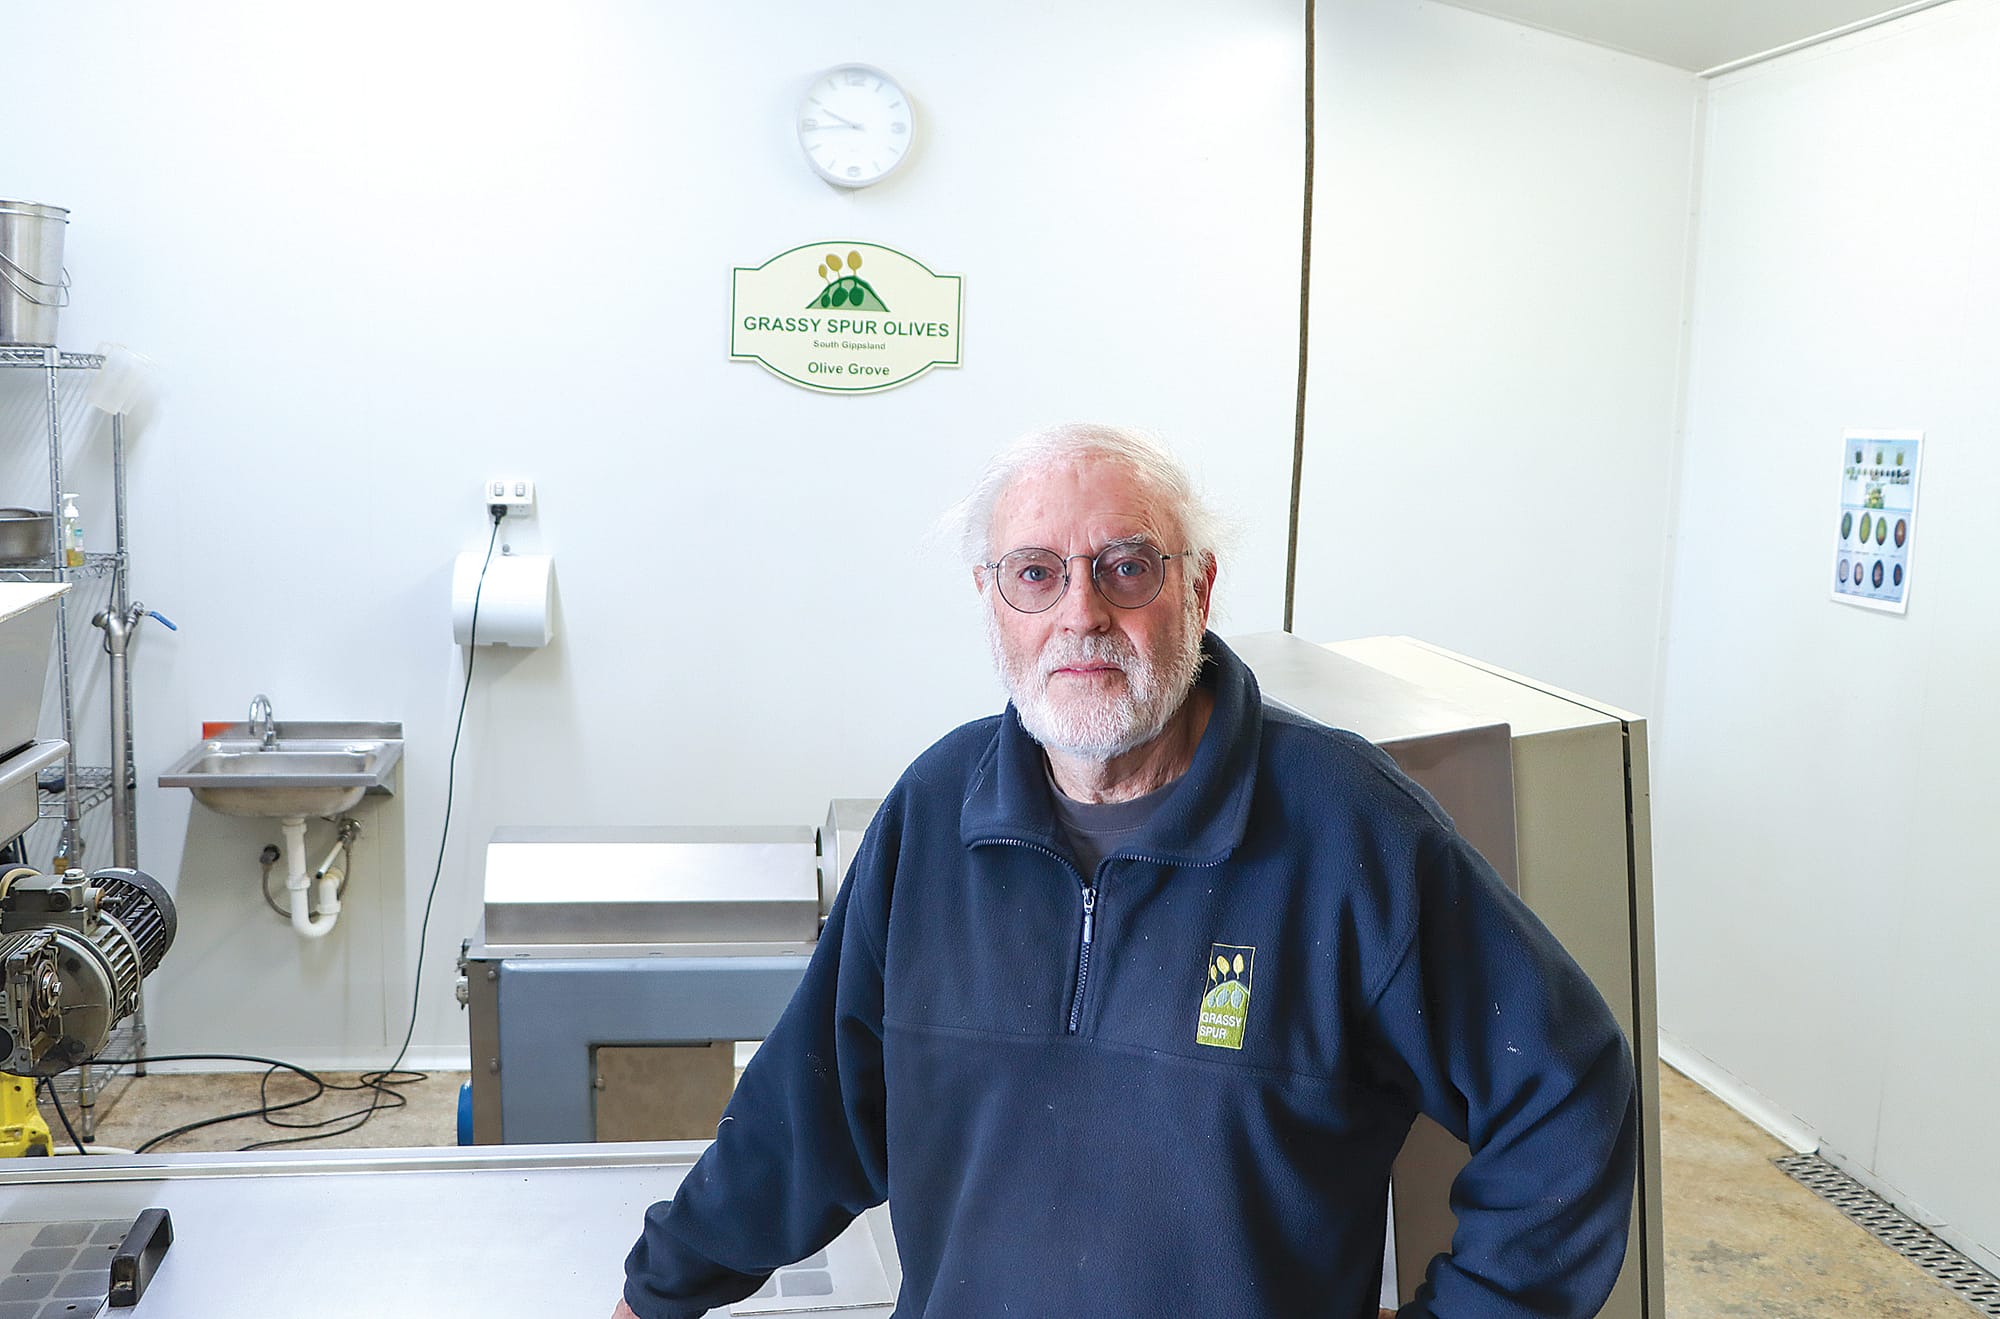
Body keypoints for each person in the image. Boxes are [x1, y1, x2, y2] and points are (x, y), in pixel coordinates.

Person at [615, 423, 1637, 1318]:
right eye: (1035, 572)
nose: (1079, 614)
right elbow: (812, 1109)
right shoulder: (934, 813)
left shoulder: (1346, 826)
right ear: (992, 599)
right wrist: (661, 1286)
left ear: (1195, 587)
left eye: (1124, 566)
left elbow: (1566, 1090)